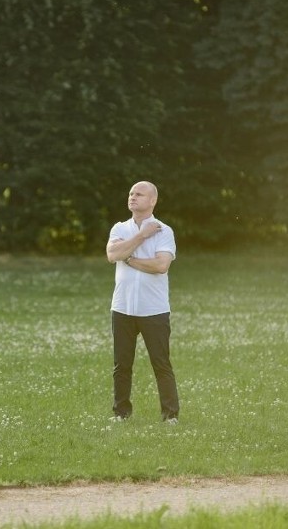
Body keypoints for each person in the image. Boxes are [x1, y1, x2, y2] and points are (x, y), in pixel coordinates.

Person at [105, 181, 179, 423]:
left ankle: (170, 416)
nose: (133, 197)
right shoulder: (119, 228)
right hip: (122, 308)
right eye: (131, 193)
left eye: (139, 194)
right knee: (121, 365)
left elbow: (161, 265)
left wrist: (130, 259)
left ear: (152, 201)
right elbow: (113, 255)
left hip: (154, 310)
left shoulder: (163, 231)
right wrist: (141, 237)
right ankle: (121, 413)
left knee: (161, 364)